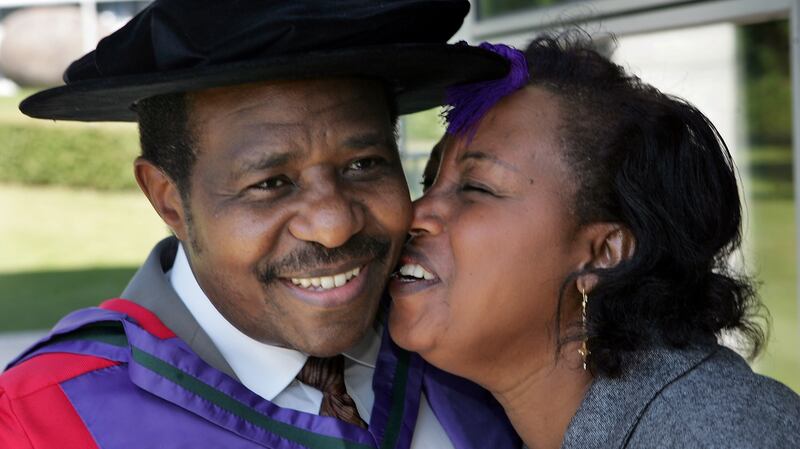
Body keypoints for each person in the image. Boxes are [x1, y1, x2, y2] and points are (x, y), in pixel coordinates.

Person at [0, 2, 522, 448]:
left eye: (363, 164)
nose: (334, 225)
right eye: (271, 182)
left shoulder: (469, 358)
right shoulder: (42, 421)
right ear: (169, 201)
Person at [389, 34, 800, 449]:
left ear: (603, 254)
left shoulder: (723, 436)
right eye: (428, 180)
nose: (415, 212)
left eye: (476, 188)